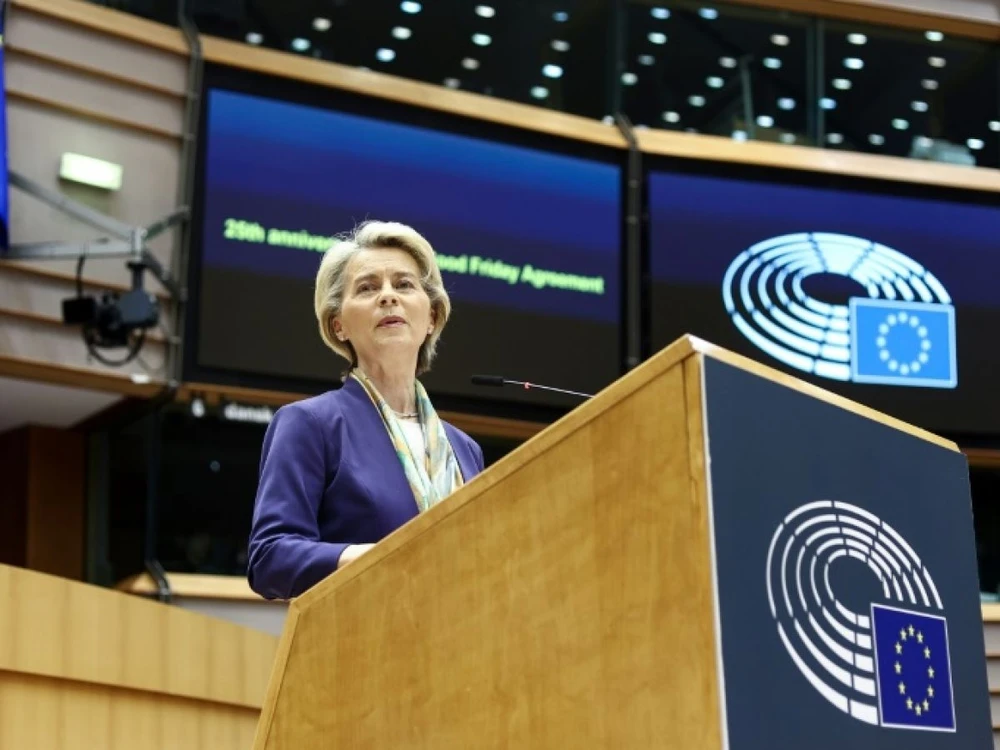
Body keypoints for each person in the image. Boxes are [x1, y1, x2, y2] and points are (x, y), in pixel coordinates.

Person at [247, 221, 485, 600]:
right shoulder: (310, 424)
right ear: (338, 324)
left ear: (432, 319)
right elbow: (270, 557)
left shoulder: (465, 449)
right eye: (368, 287)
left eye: (404, 284)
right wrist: (372, 559)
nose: (388, 296)